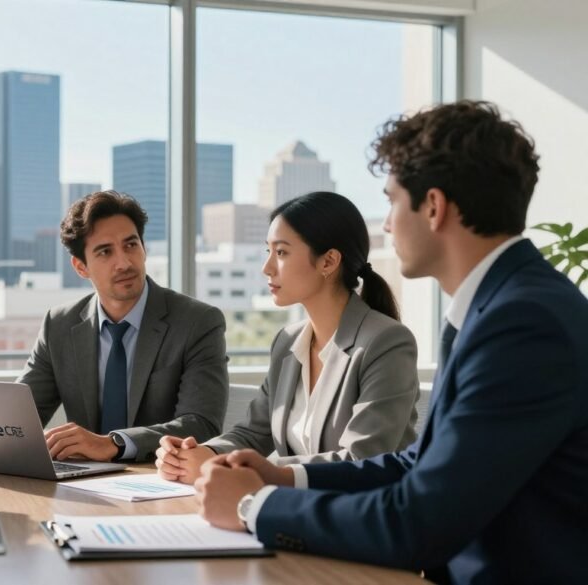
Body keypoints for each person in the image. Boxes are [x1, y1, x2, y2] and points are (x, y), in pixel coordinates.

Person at [195, 101, 588, 584]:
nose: (384, 224)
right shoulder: (495, 307)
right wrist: (284, 477)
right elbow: (418, 463)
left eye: (392, 201)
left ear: (434, 207)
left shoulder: (523, 322)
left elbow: (421, 521)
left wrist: (255, 506)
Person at [156, 191, 418, 485]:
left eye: (281, 252)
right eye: (268, 251)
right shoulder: (287, 341)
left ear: (328, 261)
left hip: (365, 515)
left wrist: (252, 471)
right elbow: (254, 434)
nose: (266, 267)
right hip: (299, 512)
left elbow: (363, 459)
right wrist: (201, 453)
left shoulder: (386, 342)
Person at [18, 190, 228, 462]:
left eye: (131, 245)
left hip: (160, 482)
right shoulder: (59, 325)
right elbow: (19, 418)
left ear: (143, 248)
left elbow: (201, 424)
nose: (124, 263)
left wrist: (115, 444)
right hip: (84, 484)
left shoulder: (197, 322)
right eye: (105, 252)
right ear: (81, 267)